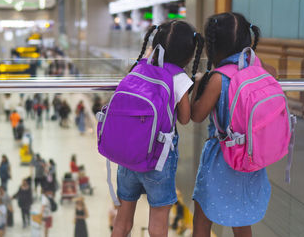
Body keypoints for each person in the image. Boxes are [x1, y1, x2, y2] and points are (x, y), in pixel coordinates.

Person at [112, 21, 204, 237]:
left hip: (128, 156)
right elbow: (184, 118)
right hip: (158, 160)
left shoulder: (138, 67)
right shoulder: (178, 78)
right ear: (189, 55)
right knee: (158, 224)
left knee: (122, 222)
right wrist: (195, 86)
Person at [190, 12, 275, 237]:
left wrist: (198, 84)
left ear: (213, 45)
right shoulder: (259, 68)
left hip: (221, 159)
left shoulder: (219, 78)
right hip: (250, 157)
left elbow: (197, 115)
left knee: (202, 219)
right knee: (242, 220)